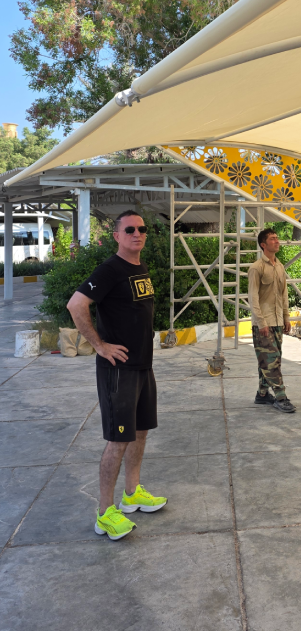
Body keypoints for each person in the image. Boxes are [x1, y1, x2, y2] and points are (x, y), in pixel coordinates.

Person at [67, 210, 166, 541]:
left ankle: (132, 493)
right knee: (119, 439)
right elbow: (76, 305)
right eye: (130, 229)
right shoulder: (109, 269)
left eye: (142, 228)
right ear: (117, 236)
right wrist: (100, 345)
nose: (137, 233)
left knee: (139, 432)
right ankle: (105, 513)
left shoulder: (139, 267)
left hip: (142, 365)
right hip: (118, 370)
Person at [248, 228, 295, 413]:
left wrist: (286, 317)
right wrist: (261, 322)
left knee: (270, 361)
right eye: (272, 239)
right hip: (264, 323)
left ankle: (262, 394)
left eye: (277, 238)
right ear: (263, 244)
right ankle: (281, 397)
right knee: (271, 361)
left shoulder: (280, 267)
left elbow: (284, 295)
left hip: (276, 321)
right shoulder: (256, 268)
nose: (277, 241)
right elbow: (252, 298)